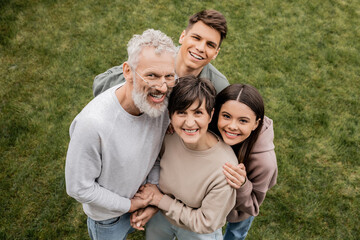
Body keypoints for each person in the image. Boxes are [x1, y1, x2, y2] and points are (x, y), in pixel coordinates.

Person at [65, 29, 178, 240]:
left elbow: (157, 153)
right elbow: (78, 187)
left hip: (145, 199)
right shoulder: (92, 124)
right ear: (127, 71)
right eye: (152, 75)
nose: (162, 87)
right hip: (109, 219)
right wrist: (129, 205)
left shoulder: (161, 105)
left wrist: (151, 192)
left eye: (169, 76)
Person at [135, 76, 238, 239]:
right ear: (170, 115)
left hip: (197, 232)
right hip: (161, 217)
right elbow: (155, 161)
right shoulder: (168, 137)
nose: (190, 123)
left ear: (210, 115)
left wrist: (159, 200)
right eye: (181, 112)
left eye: (198, 113)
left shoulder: (226, 169)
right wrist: (152, 204)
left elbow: (205, 223)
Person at [92, 9, 229, 96]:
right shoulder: (155, 56)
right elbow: (99, 85)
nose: (200, 48)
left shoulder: (220, 87)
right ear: (182, 37)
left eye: (210, 45)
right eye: (196, 38)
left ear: (216, 53)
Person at [209, 84, 278, 240]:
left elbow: (253, 206)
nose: (232, 126)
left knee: (236, 232)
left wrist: (242, 185)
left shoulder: (265, 162)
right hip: (216, 198)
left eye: (243, 121)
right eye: (226, 116)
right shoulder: (211, 129)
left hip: (243, 205)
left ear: (255, 124)